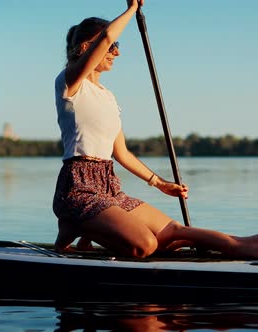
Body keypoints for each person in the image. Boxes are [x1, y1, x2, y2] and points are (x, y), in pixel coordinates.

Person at [52, 0, 189, 257]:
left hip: (107, 182)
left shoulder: (108, 97)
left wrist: (159, 183)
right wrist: (133, 9)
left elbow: (122, 153)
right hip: (78, 181)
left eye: (117, 46)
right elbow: (105, 38)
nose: (117, 52)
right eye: (114, 46)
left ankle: (85, 232)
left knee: (163, 241)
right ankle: (80, 226)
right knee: (146, 245)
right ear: (86, 47)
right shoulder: (69, 82)